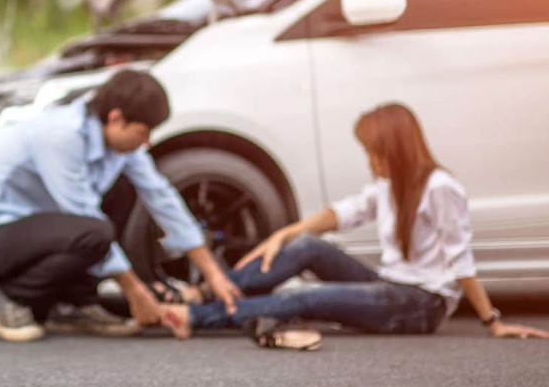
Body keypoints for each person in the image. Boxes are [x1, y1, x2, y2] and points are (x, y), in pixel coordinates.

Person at [160, 103, 548, 347]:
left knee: (304, 298)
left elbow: (461, 262)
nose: (370, 162)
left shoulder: (439, 188)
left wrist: (492, 321)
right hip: (390, 285)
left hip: (419, 305)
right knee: (308, 247)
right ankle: (202, 294)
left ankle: (194, 316)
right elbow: (341, 214)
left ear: (394, 150)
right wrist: (284, 234)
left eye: (374, 153)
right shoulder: (389, 185)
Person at [0, 69, 243, 342]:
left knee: (124, 193)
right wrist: (135, 292)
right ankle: (8, 295)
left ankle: (73, 305)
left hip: (34, 229)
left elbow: (161, 196)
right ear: (116, 118)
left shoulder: (119, 146)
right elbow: (82, 213)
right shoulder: (61, 135)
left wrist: (214, 274)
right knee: (95, 231)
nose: (148, 142)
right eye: (143, 132)